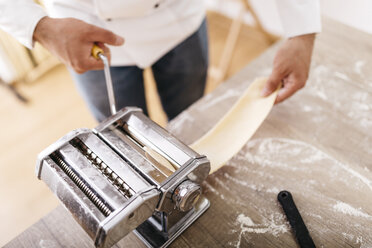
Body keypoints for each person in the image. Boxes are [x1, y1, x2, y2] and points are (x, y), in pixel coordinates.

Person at [0, 0, 321, 122]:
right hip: (83, 29)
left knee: (189, 121)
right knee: (124, 141)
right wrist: (39, 27)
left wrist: (302, 32)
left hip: (178, 17)